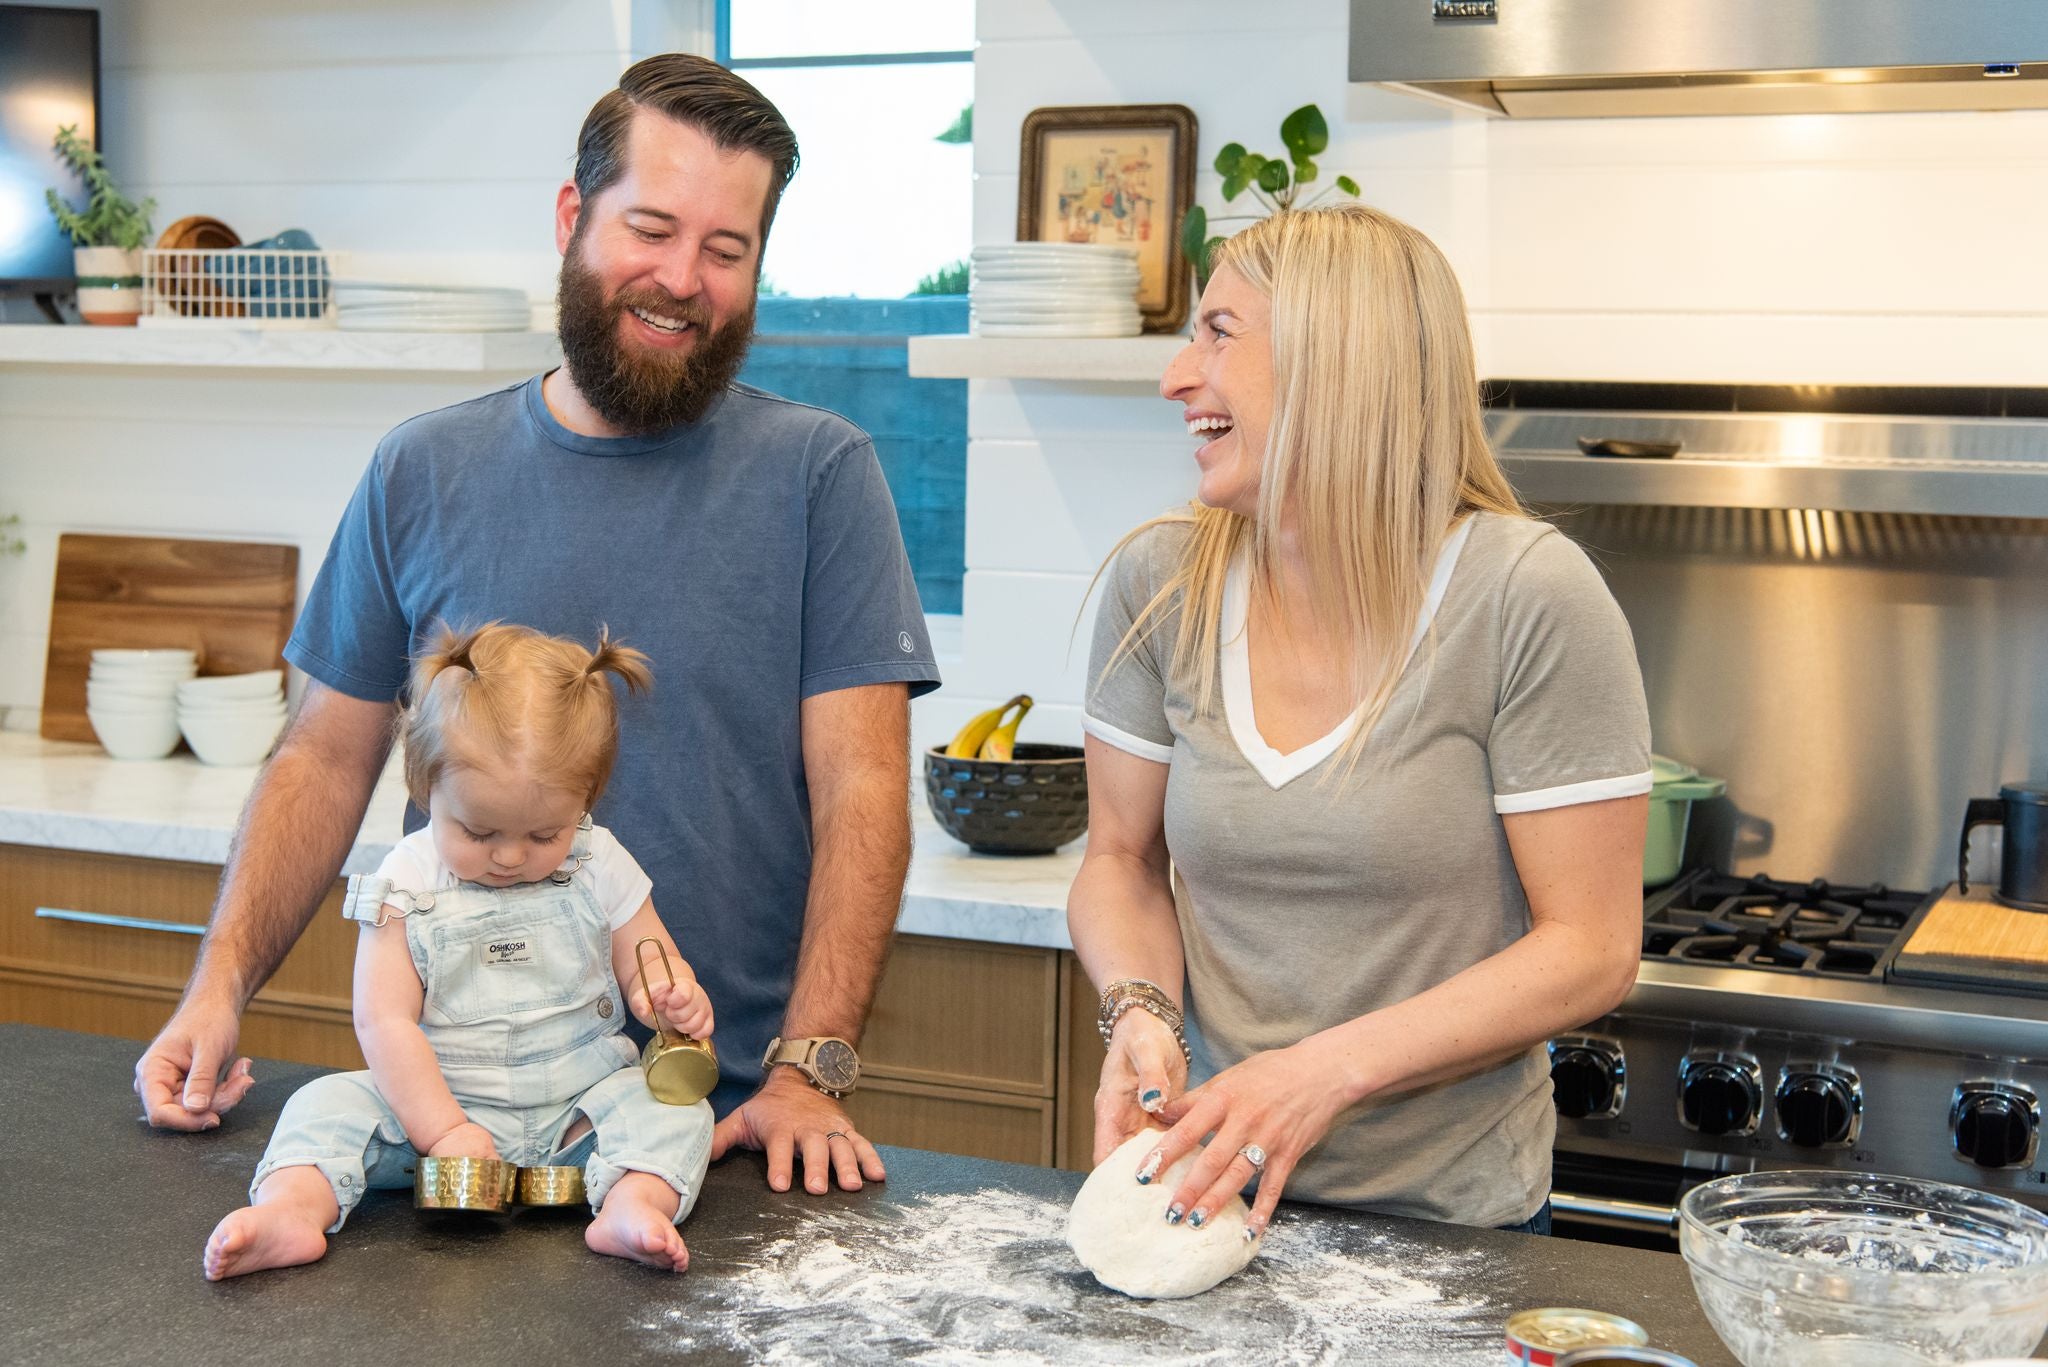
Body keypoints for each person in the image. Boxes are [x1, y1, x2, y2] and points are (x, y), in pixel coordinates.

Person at [136, 53, 940, 1202]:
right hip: (447, 1121)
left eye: (726, 249)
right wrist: (217, 988)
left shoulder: (820, 475)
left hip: (704, 1129)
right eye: (651, 229)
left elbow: (861, 788)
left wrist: (809, 1066)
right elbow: (320, 758)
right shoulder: (421, 469)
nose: (681, 278)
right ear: (573, 217)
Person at [1069, 203, 1650, 1241]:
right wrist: (1141, 1010)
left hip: (1452, 1221)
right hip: (1203, 1195)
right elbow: (1117, 858)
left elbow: (1591, 948)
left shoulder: (1525, 594)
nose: (1175, 376)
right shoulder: (1159, 581)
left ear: (1336, 361)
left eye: (1216, 333)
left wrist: (1316, 1074)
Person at [204, 624, 715, 1279]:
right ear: (425, 788)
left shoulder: (601, 860)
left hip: (578, 1122)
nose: (508, 855)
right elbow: (382, 1021)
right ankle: (289, 1210)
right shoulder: (404, 882)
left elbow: (651, 958)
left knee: (677, 1111)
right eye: (478, 830)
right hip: (440, 1118)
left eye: (543, 833)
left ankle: (631, 1200)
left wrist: (673, 997)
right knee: (324, 1106)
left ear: (585, 799)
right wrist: (444, 1131)